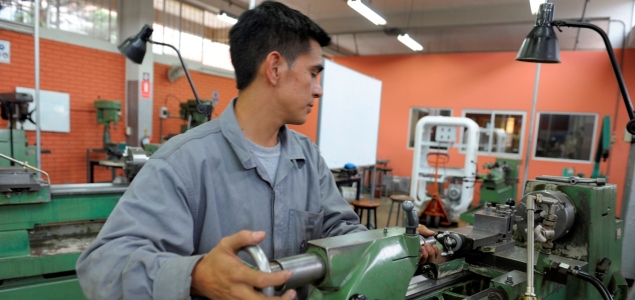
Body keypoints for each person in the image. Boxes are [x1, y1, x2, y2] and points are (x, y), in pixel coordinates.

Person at [76, 1, 439, 299]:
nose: (319, 89)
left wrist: (392, 242)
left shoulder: (307, 158)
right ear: (276, 67)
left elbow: (339, 226)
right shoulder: (184, 163)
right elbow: (102, 266)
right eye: (314, 73)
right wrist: (196, 275)